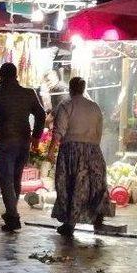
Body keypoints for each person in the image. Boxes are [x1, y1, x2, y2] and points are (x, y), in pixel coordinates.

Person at [0, 62, 46, 232]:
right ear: (16, 75)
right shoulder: (28, 93)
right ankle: (12, 212)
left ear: (1, 76)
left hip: (6, 141)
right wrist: (36, 137)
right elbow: (41, 114)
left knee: (6, 179)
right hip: (24, 141)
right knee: (15, 178)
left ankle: (13, 217)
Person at [47, 77, 111, 237]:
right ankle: (98, 220)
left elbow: (59, 131)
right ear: (83, 88)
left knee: (70, 186)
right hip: (93, 151)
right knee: (95, 186)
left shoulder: (66, 106)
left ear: (70, 88)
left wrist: (51, 150)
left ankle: (69, 224)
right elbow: (99, 132)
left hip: (71, 151)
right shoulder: (94, 107)